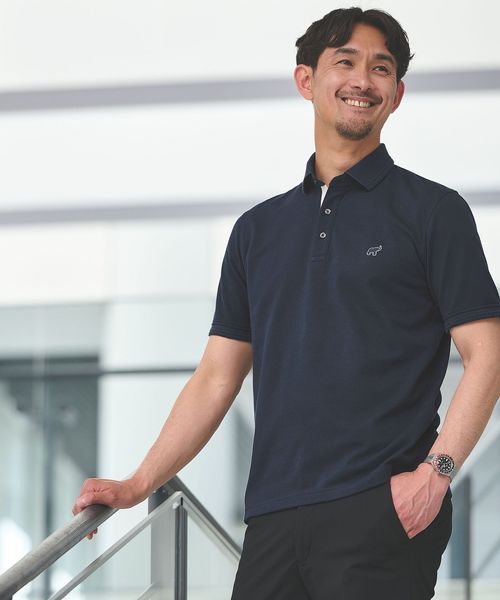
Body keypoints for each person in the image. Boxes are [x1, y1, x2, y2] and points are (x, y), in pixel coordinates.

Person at [73, 7, 500, 599]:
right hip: (273, 517)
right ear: (306, 80)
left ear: (396, 96)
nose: (363, 80)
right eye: (345, 62)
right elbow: (217, 377)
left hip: (382, 510)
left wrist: (436, 474)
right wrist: (139, 482)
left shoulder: (433, 211)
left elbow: (487, 354)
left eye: (381, 69)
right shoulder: (257, 231)